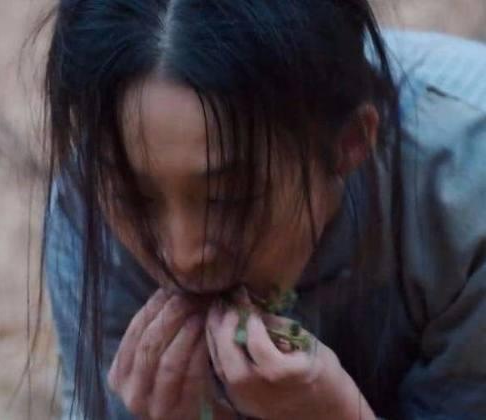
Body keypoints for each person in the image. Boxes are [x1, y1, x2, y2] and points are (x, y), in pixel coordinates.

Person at [39, 1, 486, 419]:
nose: (183, 257)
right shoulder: (88, 202)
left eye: (228, 200)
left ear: (349, 144)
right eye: (136, 199)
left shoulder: (468, 184)